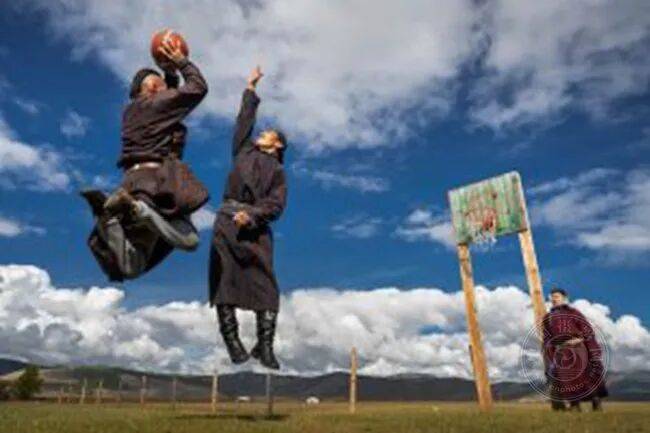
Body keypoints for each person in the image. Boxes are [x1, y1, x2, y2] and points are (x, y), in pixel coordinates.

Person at [81, 35, 209, 281]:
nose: (168, 90)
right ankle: (140, 212)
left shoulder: (131, 110)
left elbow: (168, 102)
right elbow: (197, 88)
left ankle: (108, 218)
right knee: (190, 241)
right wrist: (181, 62)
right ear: (152, 89)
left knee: (131, 267)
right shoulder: (157, 104)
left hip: (131, 184)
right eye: (161, 86)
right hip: (156, 184)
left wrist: (168, 74)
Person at [209, 65, 287, 370]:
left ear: (277, 145)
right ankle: (233, 344)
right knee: (223, 280)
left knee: (266, 286)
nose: (261, 134)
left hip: (256, 230)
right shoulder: (242, 151)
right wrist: (251, 88)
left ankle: (265, 347)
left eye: (268, 134)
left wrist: (252, 215)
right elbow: (244, 120)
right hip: (226, 222)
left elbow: (276, 206)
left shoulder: (278, 172)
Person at [543, 287, 608, 412]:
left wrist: (582, 341)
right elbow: (547, 338)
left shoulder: (574, 313)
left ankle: (596, 402)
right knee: (567, 379)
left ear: (564, 298)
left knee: (586, 376)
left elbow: (587, 329)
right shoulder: (548, 317)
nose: (554, 299)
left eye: (557, 297)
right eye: (552, 297)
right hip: (562, 351)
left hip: (578, 348)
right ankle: (574, 405)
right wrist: (550, 353)